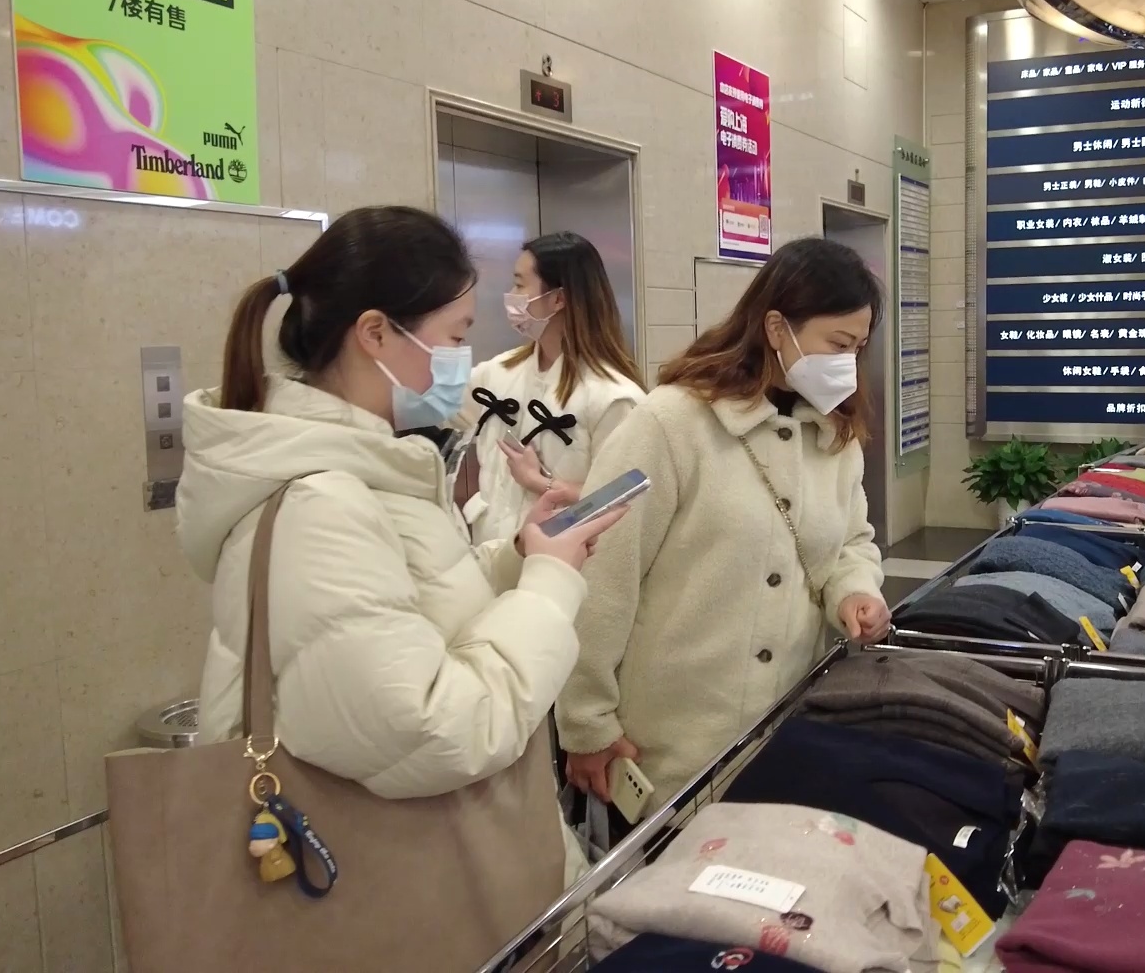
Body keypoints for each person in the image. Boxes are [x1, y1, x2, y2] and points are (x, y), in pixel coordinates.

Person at [176, 206, 627, 910]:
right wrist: (547, 587)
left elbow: (415, 611)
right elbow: (436, 730)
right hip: (397, 894)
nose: (462, 362)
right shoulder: (320, 506)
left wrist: (519, 556)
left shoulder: (367, 471)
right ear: (376, 334)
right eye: (455, 337)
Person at [557, 237, 892, 815]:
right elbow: (604, 570)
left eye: (858, 348)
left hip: (788, 731)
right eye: (837, 345)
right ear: (777, 328)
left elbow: (851, 542)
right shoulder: (670, 422)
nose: (847, 364)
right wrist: (586, 721)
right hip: (669, 747)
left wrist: (855, 591)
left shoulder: (834, 433)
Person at [454, 231, 646, 544]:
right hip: (489, 553)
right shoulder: (497, 372)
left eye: (519, 285)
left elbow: (629, 498)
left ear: (558, 299)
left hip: (561, 559)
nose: (510, 295)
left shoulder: (614, 397)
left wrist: (543, 484)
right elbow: (437, 411)